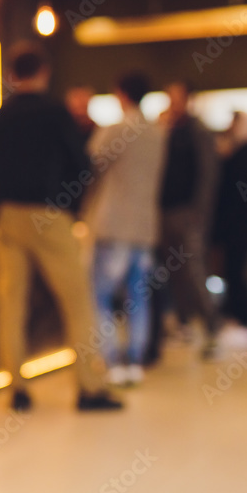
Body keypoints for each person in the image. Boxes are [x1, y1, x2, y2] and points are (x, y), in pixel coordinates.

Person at [0, 42, 121, 412]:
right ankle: (89, 387)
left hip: (8, 216)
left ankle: (17, 388)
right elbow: (82, 165)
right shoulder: (56, 114)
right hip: (51, 215)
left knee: (11, 304)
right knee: (77, 302)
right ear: (44, 72)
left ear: (11, 75)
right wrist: (71, 205)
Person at [82, 73, 166, 386]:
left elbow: (90, 166)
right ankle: (134, 360)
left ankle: (111, 360)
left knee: (100, 295)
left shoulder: (115, 130)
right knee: (138, 297)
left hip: (112, 223)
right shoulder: (158, 133)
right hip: (144, 227)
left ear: (121, 94)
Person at [149, 81, 222, 362]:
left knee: (193, 271)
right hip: (163, 213)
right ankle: (183, 323)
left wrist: (199, 212)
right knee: (171, 272)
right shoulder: (165, 130)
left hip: (187, 213)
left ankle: (212, 327)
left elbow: (208, 174)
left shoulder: (197, 132)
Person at [213, 112, 247, 333]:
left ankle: (244, 320)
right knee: (239, 274)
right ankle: (242, 319)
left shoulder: (242, 157)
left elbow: (231, 195)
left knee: (236, 274)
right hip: (244, 230)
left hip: (237, 230)